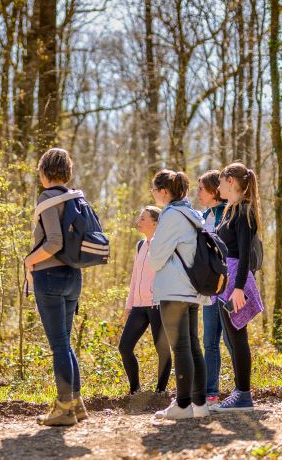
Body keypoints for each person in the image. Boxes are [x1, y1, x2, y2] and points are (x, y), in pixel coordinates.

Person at [24, 148, 87, 426]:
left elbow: (54, 242)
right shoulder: (75, 197)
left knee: (59, 345)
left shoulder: (48, 198)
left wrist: (29, 260)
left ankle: (64, 410)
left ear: (44, 172)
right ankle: (76, 404)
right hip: (73, 277)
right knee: (65, 344)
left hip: (49, 277)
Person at [147, 169, 210, 420]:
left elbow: (155, 258)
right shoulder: (192, 213)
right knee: (193, 346)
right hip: (192, 289)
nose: (152, 193)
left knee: (181, 347)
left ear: (164, 192)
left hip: (174, 289)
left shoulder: (171, 215)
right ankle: (199, 404)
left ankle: (183, 405)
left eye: (154, 189)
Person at [212, 162, 263, 412]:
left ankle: (243, 394)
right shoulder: (231, 210)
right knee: (232, 338)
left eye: (221, 182)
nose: (218, 187)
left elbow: (243, 254)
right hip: (226, 281)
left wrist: (239, 288)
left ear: (230, 181)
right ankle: (239, 391)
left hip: (235, 283)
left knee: (237, 337)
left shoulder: (244, 211)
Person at [118, 205, 172, 395]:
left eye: (142, 218)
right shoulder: (140, 245)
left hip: (158, 304)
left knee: (162, 349)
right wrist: (129, 306)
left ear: (155, 223)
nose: (138, 221)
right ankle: (135, 390)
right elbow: (135, 278)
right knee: (124, 347)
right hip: (139, 306)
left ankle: (160, 391)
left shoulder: (164, 245)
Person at [196, 170, 233, 407]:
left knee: (231, 340)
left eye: (201, 188)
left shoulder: (227, 213)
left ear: (213, 190)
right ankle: (211, 393)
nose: (198, 193)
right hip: (209, 288)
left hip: (227, 286)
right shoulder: (202, 216)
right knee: (209, 341)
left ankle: (242, 390)